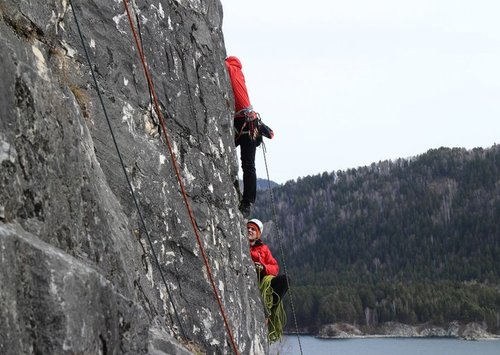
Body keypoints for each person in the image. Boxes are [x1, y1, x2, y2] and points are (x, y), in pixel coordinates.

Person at [225, 56, 258, 218]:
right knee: (248, 164)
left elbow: (223, 68)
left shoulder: (232, 70)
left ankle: (247, 202)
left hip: (245, 122)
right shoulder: (238, 71)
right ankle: (247, 202)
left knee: (248, 164)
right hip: (246, 121)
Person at [247, 219, 289, 310]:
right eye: (248, 228)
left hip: (263, 277)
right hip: (251, 276)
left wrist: (263, 267)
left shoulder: (264, 249)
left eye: (253, 229)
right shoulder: (243, 245)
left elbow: (275, 268)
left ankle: (270, 309)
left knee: (285, 280)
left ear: (258, 234)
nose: (249, 230)